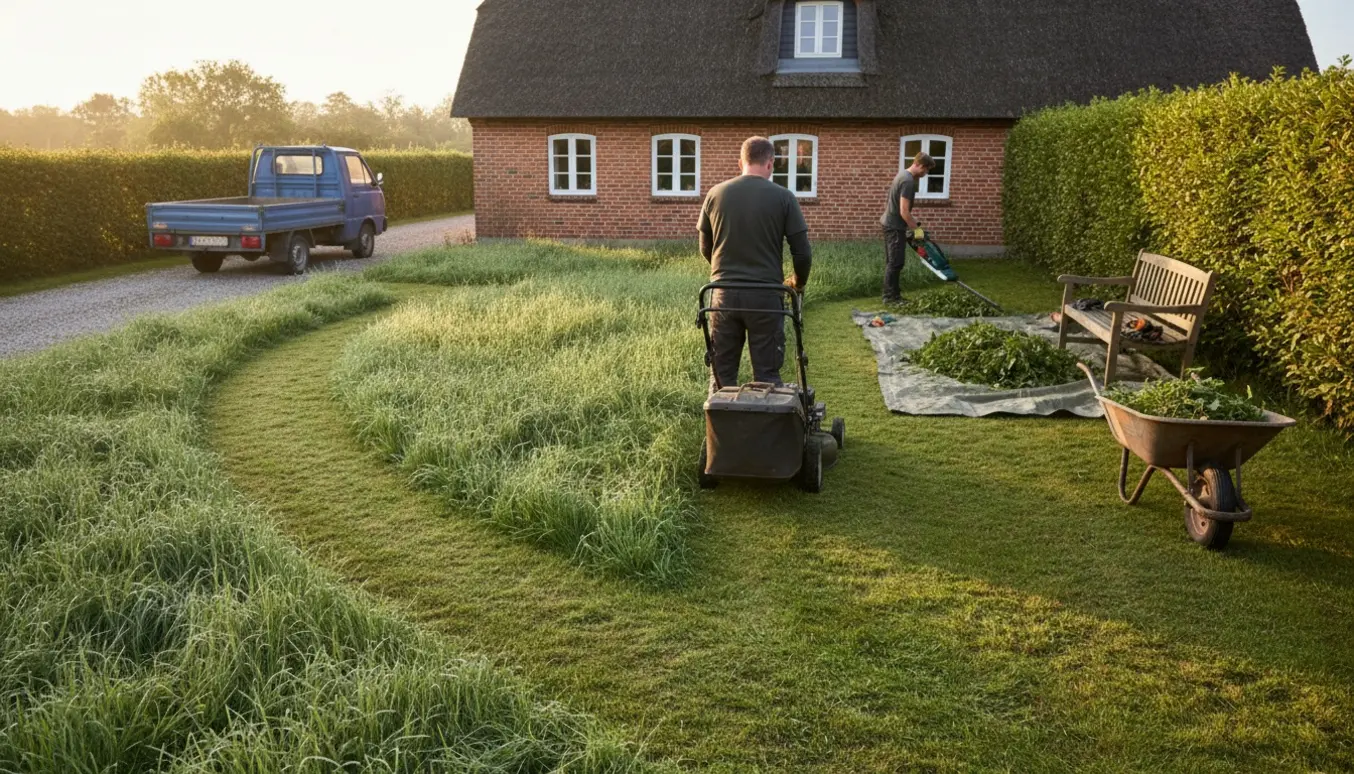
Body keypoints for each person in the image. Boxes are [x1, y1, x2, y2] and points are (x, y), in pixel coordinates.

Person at [698, 136, 813, 391]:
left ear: (741, 162)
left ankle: (720, 430)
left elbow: (706, 247)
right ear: (771, 163)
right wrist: (798, 282)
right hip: (766, 299)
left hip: (723, 296)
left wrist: (725, 274)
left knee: (721, 375)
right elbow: (803, 254)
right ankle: (764, 428)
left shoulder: (715, 194)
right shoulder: (784, 197)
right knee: (767, 375)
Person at [880, 152, 936, 305]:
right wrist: (917, 232)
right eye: (926, 170)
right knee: (895, 262)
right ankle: (890, 297)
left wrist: (917, 225)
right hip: (894, 226)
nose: (926, 173)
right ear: (919, 165)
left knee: (893, 262)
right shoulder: (908, 181)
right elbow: (904, 212)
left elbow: (905, 211)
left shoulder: (903, 175)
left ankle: (894, 295)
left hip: (891, 223)